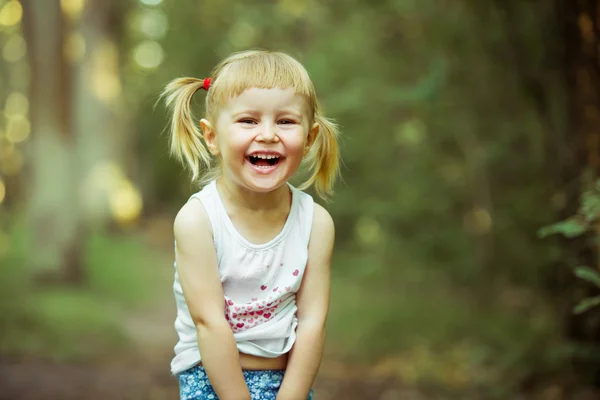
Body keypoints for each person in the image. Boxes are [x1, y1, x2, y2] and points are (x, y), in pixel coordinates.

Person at [162, 49, 340, 400]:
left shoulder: (315, 223)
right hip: (210, 379)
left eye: (286, 121)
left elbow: (312, 323)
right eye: (248, 121)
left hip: (289, 382)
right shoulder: (198, 220)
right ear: (212, 137)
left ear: (308, 137)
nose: (269, 134)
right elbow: (209, 324)